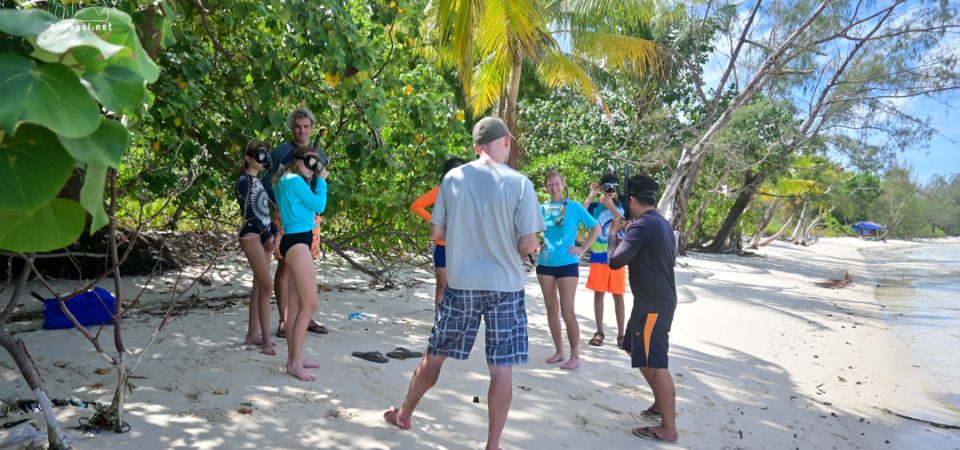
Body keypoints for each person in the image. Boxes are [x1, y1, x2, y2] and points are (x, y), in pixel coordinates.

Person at [383, 117, 544, 450]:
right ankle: (493, 445)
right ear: (506, 142)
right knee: (501, 368)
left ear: (476, 147)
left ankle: (405, 413)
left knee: (435, 354)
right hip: (505, 287)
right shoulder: (520, 183)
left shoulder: (452, 179)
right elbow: (528, 246)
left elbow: (437, 233)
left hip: (461, 283)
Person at [607, 174, 679, 443]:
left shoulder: (642, 226)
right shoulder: (660, 223)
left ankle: (668, 428)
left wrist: (615, 234)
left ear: (633, 200)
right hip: (653, 301)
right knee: (632, 347)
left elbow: (616, 261)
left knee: (655, 362)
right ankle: (661, 404)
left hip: (652, 304)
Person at [261, 108, 328, 338]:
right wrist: (277, 213)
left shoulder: (319, 153)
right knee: (285, 266)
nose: (302, 131)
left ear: (312, 127)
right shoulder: (281, 152)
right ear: (292, 128)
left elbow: (319, 182)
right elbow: (269, 185)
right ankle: (284, 318)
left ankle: (303, 316)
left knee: (307, 263)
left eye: (306, 126)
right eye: (298, 126)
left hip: (309, 215)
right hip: (286, 215)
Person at [273, 145, 329, 381]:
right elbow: (319, 206)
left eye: (316, 164)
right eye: (308, 162)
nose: (312, 168)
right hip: (296, 241)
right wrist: (323, 181)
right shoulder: (294, 181)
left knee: (295, 306)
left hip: (294, 239)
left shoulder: (285, 180)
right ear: (296, 160)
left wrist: (313, 178)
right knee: (310, 304)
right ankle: (295, 362)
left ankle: (294, 358)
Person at [536, 171, 601, 370]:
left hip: (567, 263)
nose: (554, 187)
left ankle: (575, 355)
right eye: (550, 184)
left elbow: (596, 228)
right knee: (551, 308)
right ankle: (559, 351)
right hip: (545, 263)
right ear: (546, 187)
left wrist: (583, 248)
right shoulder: (542, 208)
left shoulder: (574, 207)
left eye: (557, 183)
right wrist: (538, 245)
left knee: (567, 310)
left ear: (563, 184)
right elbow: (531, 230)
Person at [236, 140, 279, 355]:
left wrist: (275, 232)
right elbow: (250, 214)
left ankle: (254, 333)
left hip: (264, 235)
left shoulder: (258, 183)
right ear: (248, 158)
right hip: (252, 234)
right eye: (259, 155)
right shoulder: (244, 181)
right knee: (266, 284)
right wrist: (268, 234)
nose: (263, 160)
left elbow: (264, 212)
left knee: (259, 286)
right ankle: (266, 340)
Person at [410, 157, 467, 316]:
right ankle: (440, 320)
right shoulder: (441, 190)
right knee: (442, 283)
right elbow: (417, 205)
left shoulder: (470, 192)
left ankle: (456, 319)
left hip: (465, 247)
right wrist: (437, 222)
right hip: (443, 246)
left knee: (461, 286)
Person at [582, 173, 627, 348]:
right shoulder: (595, 207)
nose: (610, 191)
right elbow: (581, 213)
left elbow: (626, 222)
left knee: (618, 295)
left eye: (614, 188)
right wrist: (592, 195)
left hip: (617, 255)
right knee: (599, 293)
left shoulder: (623, 206)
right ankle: (599, 331)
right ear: (602, 187)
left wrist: (613, 208)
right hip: (599, 256)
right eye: (607, 187)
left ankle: (622, 334)